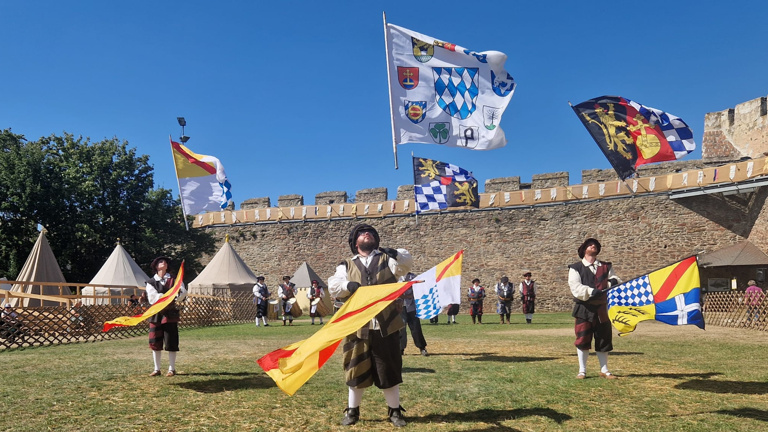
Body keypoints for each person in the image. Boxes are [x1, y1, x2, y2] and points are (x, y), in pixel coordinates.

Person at [328, 224, 413, 427]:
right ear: (355, 242)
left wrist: (392, 252)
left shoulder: (388, 259)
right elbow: (334, 284)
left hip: (387, 324)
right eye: (361, 233)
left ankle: (394, 411)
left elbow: (406, 264)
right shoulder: (346, 265)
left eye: (372, 233)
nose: (367, 234)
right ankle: (352, 411)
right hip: (357, 326)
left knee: (389, 369)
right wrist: (347, 285)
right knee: (355, 369)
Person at [568, 238, 621, 380]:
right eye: (590, 245)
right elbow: (575, 286)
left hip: (602, 308)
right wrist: (591, 291)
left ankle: (605, 370)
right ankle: (582, 371)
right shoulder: (576, 268)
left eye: (595, 245)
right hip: (584, 308)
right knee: (583, 338)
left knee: (603, 338)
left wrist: (613, 282)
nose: (593, 246)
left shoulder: (606, 266)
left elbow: (614, 279)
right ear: (584, 249)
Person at [146, 256, 187, 377]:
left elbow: (182, 292)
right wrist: (169, 295)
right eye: (160, 261)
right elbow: (153, 298)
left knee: (171, 341)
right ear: (156, 266)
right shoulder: (151, 282)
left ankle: (171, 369)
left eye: (165, 262)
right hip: (156, 314)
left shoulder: (175, 279)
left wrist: (177, 293)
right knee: (155, 342)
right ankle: (157, 369)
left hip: (170, 314)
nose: (163, 263)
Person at [399, 272, 428, 356]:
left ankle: (422, 347)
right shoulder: (396, 276)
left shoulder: (414, 277)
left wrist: (412, 295)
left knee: (416, 328)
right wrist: (404, 297)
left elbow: (420, 288)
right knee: (401, 329)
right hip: (400, 307)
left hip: (412, 306)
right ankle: (400, 349)